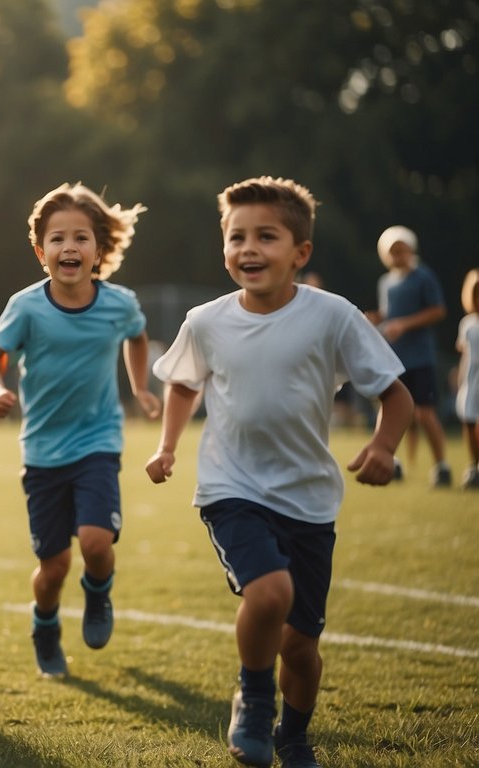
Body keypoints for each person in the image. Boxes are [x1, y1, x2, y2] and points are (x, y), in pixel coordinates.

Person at [145, 177, 413, 768]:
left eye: (266, 236)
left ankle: (294, 737)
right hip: (230, 486)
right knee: (269, 594)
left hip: (310, 500)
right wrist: (167, 446)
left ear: (300, 253)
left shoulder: (334, 318)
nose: (249, 249)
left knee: (300, 644)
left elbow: (396, 396)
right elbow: (184, 381)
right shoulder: (207, 321)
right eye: (236, 236)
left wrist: (385, 447)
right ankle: (254, 700)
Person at [0, 182, 161, 679]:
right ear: (42, 253)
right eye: (57, 239)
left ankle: (98, 594)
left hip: (98, 441)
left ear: (98, 249)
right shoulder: (26, 307)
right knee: (54, 567)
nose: (69, 248)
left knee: (98, 544)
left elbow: (138, 338)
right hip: (41, 452)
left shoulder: (119, 304)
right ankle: (45, 624)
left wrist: (141, 387)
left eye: (81, 238)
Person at [365, 225, 450, 486]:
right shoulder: (386, 282)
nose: (398, 255)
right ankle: (390, 461)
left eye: (402, 249)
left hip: (420, 357)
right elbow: (388, 313)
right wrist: (375, 318)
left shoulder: (424, 276)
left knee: (424, 413)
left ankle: (441, 467)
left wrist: (404, 324)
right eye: (393, 251)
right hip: (394, 358)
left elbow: (437, 310)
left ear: (411, 249)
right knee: (389, 409)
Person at [456, 268, 479, 490]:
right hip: (472, 381)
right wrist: (461, 378)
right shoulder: (468, 324)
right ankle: (473, 465)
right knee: (469, 420)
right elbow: (465, 355)